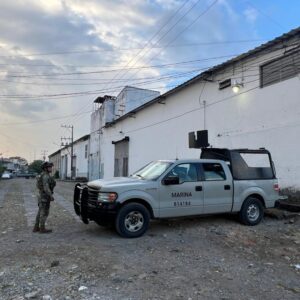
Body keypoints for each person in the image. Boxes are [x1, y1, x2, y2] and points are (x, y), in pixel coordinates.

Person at [33, 162, 56, 233]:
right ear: (45, 168)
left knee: (40, 212)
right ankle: (42, 229)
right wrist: (51, 196)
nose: (51, 168)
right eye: (49, 167)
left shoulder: (43, 175)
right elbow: (46, 188)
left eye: (51, 167)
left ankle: (36, 227)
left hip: (42, 195)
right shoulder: (45, 176)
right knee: (44, 212)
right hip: (44, 196)